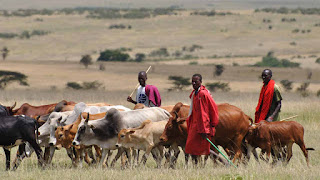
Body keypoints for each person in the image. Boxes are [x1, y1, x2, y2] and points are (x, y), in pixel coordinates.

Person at [185, 74, 219, 157]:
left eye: (195, 82)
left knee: (204, 148)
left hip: (203, 127)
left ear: (200, 82)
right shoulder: (195, 93)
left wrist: (205, 130)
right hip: (196, 125)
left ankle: (223, 161)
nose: (193, 84)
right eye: (192, 82)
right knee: (191, 147)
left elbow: (206, 112)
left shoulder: (203, 94)